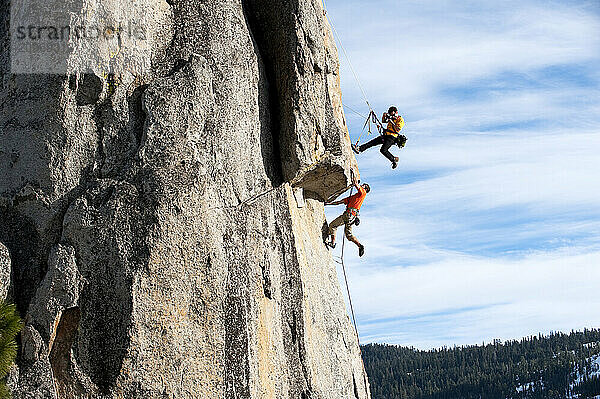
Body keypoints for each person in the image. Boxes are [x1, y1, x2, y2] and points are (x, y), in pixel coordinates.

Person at [325, 170, 370, 257]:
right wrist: (328, 204)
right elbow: (339, 202)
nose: (362, 185)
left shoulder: (362, 194)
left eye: (364, 185)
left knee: (333, 225)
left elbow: (355, 183)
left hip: (348, 215)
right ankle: (360, 245)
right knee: (349, 236)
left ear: (365, 189)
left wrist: (353, 172)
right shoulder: (354, 197)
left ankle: (333, 243)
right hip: (351, 217)